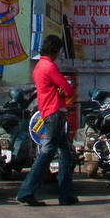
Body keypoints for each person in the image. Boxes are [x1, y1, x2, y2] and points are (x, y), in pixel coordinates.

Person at [15, 34, 77, 206]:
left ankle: (66, 194)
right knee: (47, 152)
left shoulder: (38, 67)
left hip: (47, 112)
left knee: (65, 152)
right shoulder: (50, 66)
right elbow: (68, 89)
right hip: (55, 113)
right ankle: (26, 191)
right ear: (55, 51)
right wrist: (64, 92)